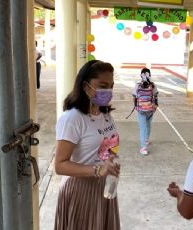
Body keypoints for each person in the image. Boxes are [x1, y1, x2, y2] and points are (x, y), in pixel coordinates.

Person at [54, 60, 121, 230]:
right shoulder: (72, 119)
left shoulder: (104, 114)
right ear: (86, 86)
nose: (108, 91)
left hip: (105, 188)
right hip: (81, 191)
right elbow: (60, 165)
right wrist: (98, 170)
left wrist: (110, 166)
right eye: (103, 85)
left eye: (111, 86)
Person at [133, 68, 159, 155]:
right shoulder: (153, 85)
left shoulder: (138, 85)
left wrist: (136, 107)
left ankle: (143, 147)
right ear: (150, 75)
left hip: (141, 110)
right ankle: (146, 140)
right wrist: (155, 106)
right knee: (148, 125)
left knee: (142, 128)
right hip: (150, 109)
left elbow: (134, 96)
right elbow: (155, 96)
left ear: (141, 75)